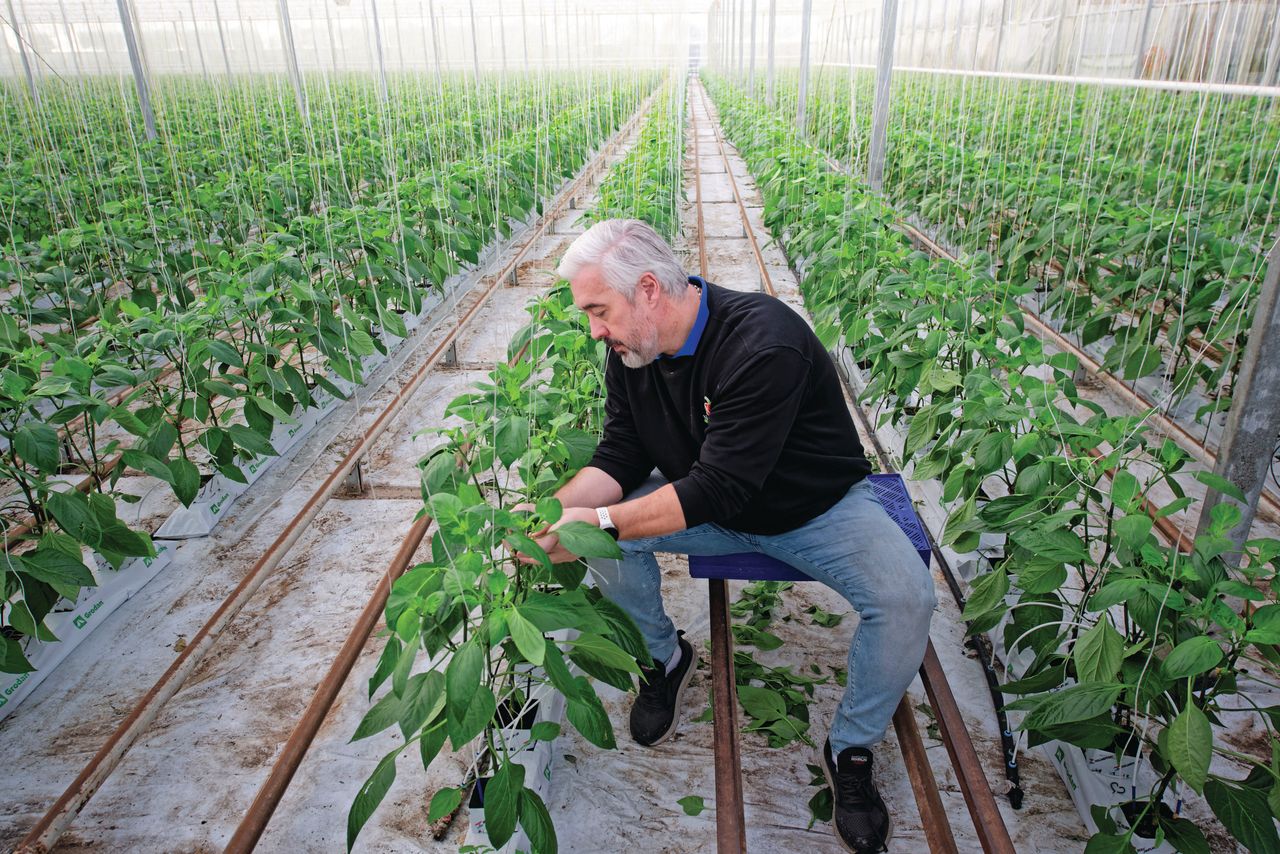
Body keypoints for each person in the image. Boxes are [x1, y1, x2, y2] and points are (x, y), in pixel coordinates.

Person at [523, 218, 936, 853]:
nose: (594, 329)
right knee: (599, 537)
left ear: (650, 289)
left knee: (908, 598)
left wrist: (601, 522)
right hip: (708, 503)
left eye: (599, 310)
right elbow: (621, 455)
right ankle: (663, 658)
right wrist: (548, 517)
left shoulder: (762, 344)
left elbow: (719, 487)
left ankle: (851, 747)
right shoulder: (632, 350)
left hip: (815, 511)